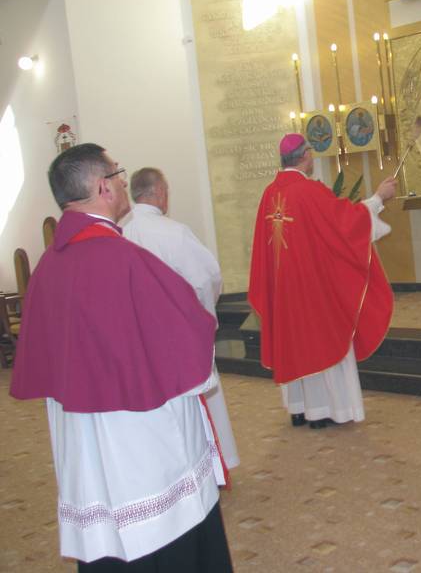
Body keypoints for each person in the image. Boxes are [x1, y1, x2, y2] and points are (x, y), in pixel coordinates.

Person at [10, 144, 233, 572]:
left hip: (83, 438)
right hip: (139, 439)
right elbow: (187, 332)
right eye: (117, 173)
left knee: (107, 524)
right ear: (103, 187)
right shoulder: (126, 259)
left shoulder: (47, 267)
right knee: (161, 525)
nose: (123, 181)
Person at [249, 133, 396, 429]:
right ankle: (327, 411)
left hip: (283, 290)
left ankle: (300, 409)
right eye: (311, 152)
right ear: (305, 155)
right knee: (322, 340)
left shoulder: (269, 194)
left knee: (294, 344)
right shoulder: (308, 191)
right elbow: (346, 223)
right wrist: (379, 198)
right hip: (312, 287)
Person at [123, 167, 240, 472]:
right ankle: (214, 465)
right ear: (160, 192)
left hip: (142, 341)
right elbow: (207, 278)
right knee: (199, 401)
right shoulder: (173, 232)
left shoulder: (122, 235)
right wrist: (203, 317)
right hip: (179, 337)